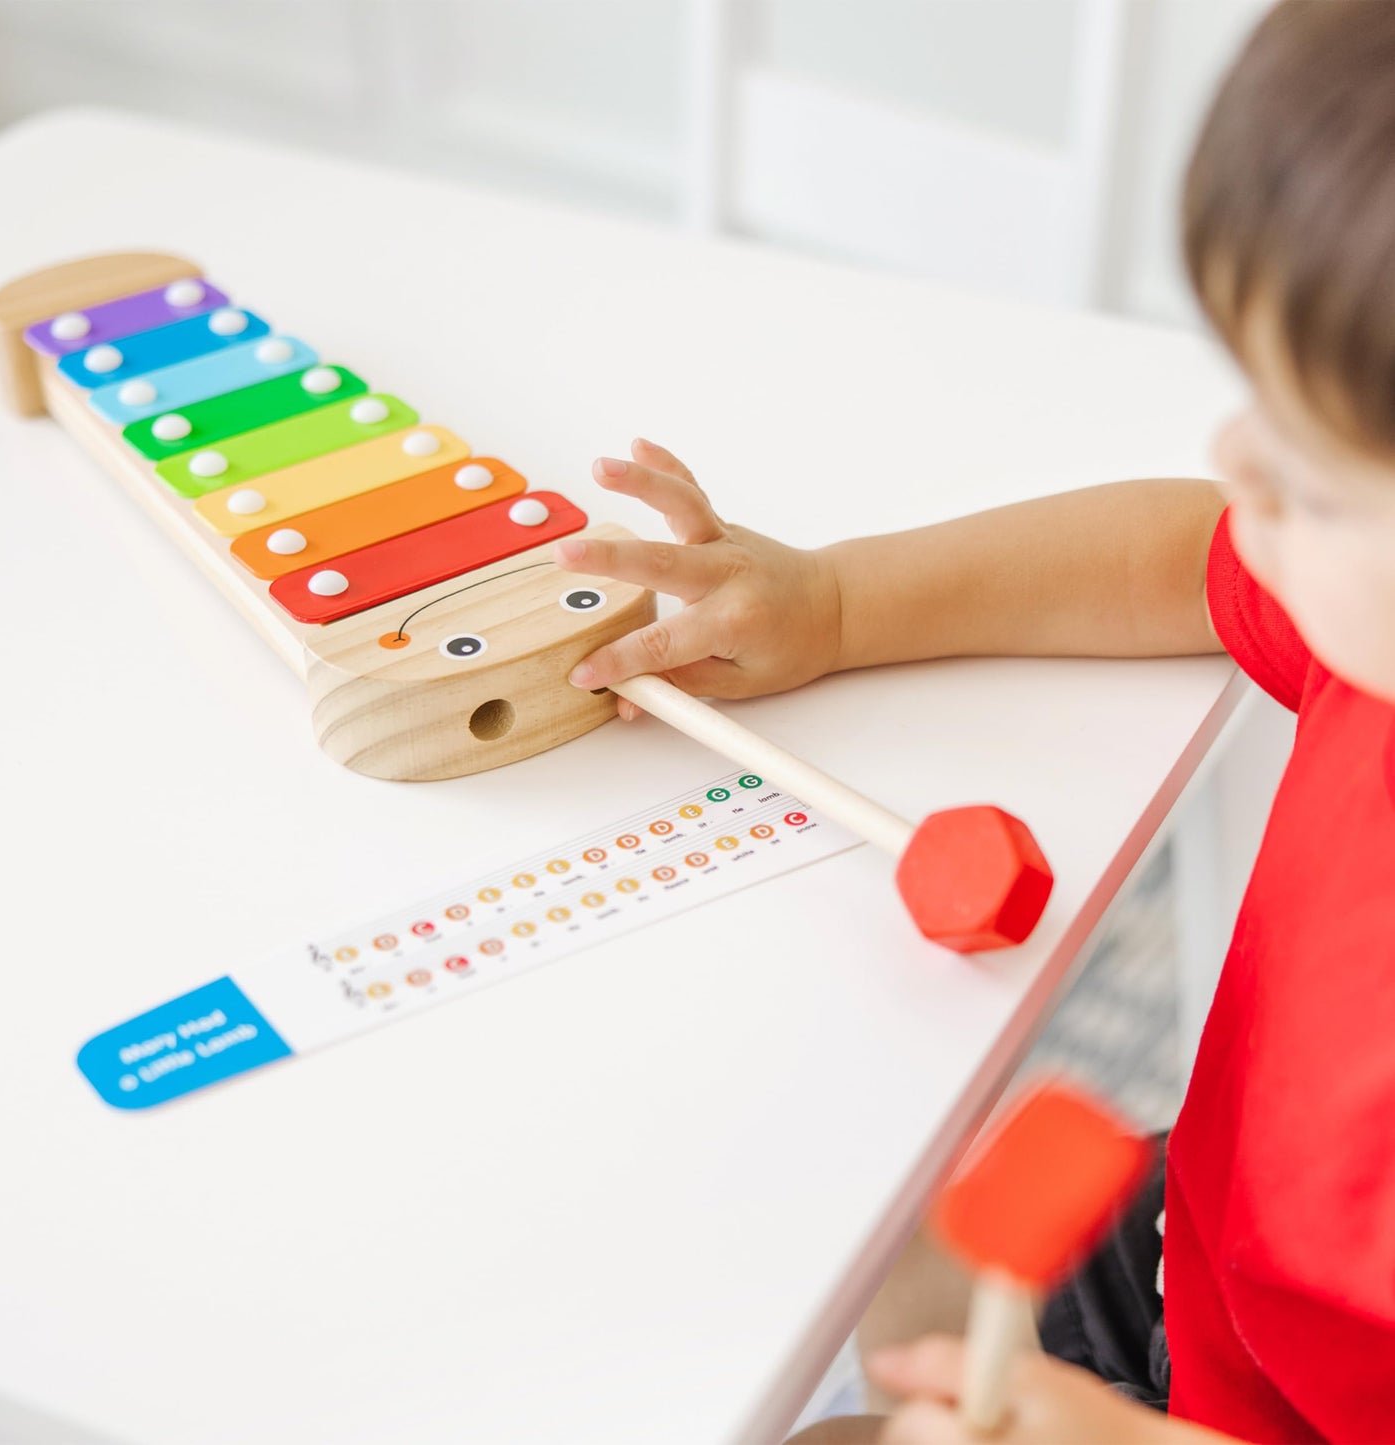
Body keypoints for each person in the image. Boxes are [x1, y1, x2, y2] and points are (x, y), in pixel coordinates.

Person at [553, 4, 1395, 1440]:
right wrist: (837, 604)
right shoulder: (1363, 633)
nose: (1229, 456)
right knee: (871, 1242)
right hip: (1213, 1258)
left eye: (1308, 475)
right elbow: (1180, 555)